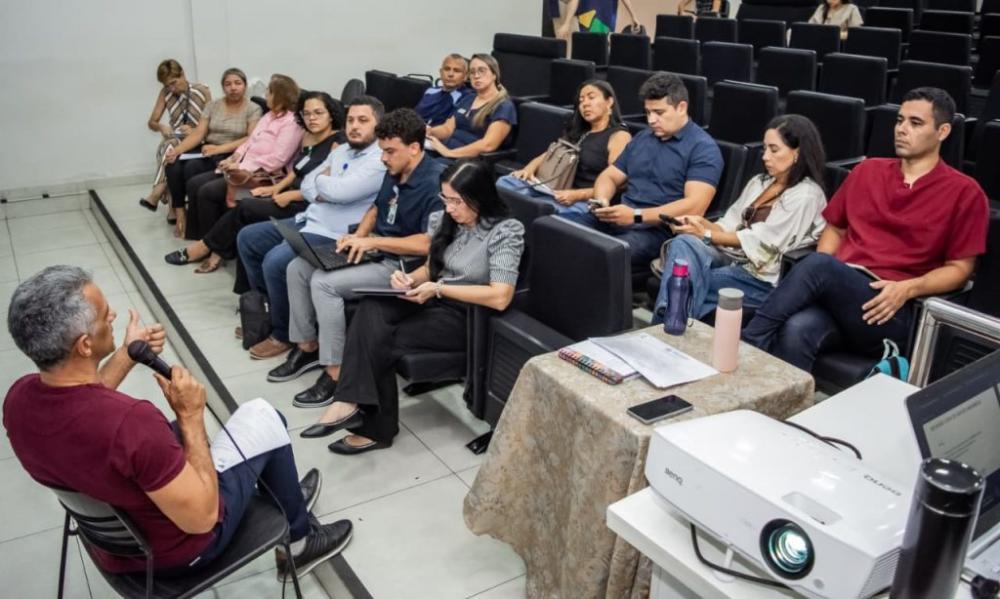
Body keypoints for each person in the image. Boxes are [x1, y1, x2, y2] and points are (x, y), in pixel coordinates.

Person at [3, 266, 352, 580]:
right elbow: (203, 518)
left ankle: (285, 497)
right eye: (104, 314)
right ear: (84, 345)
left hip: (114, 547)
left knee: (167, 435)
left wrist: (127, 352)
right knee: (264, 417)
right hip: (181, 553)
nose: (113, 316)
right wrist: (191, 415)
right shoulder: (131, 422)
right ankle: (299, 544)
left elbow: (84, 403)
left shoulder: (18, 399)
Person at [742, 88, 990, 373]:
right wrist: (829, 281)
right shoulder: (868, 171)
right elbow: (835, 229)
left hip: (892, 307)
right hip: (842, 293)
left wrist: (908, 288)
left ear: (942, 131)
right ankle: (782, 399)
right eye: (899, 120)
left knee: (819, 265)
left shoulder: (965, 192)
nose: (902, 129)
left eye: (915, 123)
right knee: (797, 330)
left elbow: (960, 269)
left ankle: (747, 344)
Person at [308, 160, 524, 455]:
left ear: (480, 196)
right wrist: (409, 279)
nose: (449, 208)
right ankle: (350, 404)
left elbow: (501, 295)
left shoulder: (505, 231)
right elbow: (430, 269)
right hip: (434, 298)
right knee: (369, 307)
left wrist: (438, 288)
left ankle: (366, 420)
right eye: (445, 199)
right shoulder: (448, 221)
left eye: (457, 201)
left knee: (377, 337)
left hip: (467, 316)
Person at [276, 108, 444, 415]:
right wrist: (358, 237)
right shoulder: (394, 169)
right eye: (382, 151)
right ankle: (307, 346)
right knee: (298, 267)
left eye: (390, 151)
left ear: (414, 148)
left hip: (403, 266)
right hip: (376, 250)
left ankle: (336, 372)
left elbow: (427, 243)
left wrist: (372, 242)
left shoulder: (435, 182)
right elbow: (376, 209)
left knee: (323, 283)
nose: (383, 158)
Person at [236, 96, 387, 360]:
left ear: (379, 124)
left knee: (275, 261)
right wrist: (325, 187)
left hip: (334, 231)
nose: (354, 126)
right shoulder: (341, 150)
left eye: (363, 120)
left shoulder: (379, 159)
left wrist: (324, 185)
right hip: (309, 218)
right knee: (248, 238)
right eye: (351, 120)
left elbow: (341, 192)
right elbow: (307, 186)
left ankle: (282, 334)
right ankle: (269, 312)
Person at [652, 115, 829, 324]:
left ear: (797, 153)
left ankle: (667, 325)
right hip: (733, 259)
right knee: (684, 242)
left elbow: (765, 243)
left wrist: (706, 234)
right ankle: (673, 325)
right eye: (765, 149)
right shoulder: (760, 182)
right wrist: (698, 223)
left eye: (774, 150)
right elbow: (728, 224)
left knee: (684, 280)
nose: (765, 156)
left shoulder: (806, 195)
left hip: (762, 278)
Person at [163, 91, 344, 276]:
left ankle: (205, 248)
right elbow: (297, 170)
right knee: (240, 198)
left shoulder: (337, 144)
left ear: (331, 114)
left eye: (318, 113)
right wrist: (275, 188)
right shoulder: (310, 136)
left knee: (245, 207)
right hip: (289, 192)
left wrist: (290, 195)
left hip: (307, 204)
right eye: (307, 113)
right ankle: (214, 250)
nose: (312, 118)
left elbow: (327, 188)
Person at [562, 72, 723, 267]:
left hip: (658, 231)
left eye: (659, 112)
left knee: (597, 254)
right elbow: (609, 176)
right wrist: (602, 200)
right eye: (648, 112)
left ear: (681, 107)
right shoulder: (643, 138)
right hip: (619, 218)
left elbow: (695, 206)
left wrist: (637, 215)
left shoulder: (702, 148)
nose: (651, 120)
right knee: (558, 231)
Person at [180, 74, 304, 246]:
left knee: (207, 191)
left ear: (280, 96)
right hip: (242, 168)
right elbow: (249, 142)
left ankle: (212, 245)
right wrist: (232, 158)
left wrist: (241, 166)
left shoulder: (292, 123)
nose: (266, 95)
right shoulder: (269, 116)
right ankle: (199, 239)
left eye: (269, 92)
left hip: (264, 175)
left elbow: (277, 159)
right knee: (194, 183)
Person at [495, 79, 631, 214]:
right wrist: (528, 169)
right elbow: (550, 153)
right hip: (552, 188)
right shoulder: (579, 131)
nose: (585, 104)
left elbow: (617, 183)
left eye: (591, 97)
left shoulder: (619, 136)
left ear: (609, 101)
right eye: (581, 100)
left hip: (583, 200)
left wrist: (577, 195)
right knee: (505, 183)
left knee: (542, 209)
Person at [163, 68, 261, 238]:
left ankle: (197, 224)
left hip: (231, 154)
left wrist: (219, 149)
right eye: (228, 84)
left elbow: (250, 138)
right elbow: (198, 133)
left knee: (191, 168)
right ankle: (180, 213)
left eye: (237, 83)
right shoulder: (213, 105)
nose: (233, 88)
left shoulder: (253, 109)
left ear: (245, 86)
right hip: (208, 150)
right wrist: (177, 151)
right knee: (173, 165)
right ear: (223, 87)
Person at [139, 59, 211, 213]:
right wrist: (161, 127)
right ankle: (170, 207)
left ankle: (158, 194)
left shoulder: (202, 90)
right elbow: (151, 122)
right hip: (176, 138)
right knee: (169, 145)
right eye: (167, 85)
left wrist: (195, 130)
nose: (172, 88)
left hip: (199, 138)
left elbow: (213, 120)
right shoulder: (165, 93)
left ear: (182, 74)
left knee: (168, 147)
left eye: (174, 83)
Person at [425, 54, 517, 159]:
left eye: (482, 71)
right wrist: (429, 131)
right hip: (443, 150)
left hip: (465, 160)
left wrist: (449, 152)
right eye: (472, 72)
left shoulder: (504, 106)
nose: (476, 76)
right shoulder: (468, 98)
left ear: (494, 75)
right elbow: (447, 129)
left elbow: (488, 145)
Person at [414, 54, 473, 127]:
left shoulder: (468, 97)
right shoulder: (430, 91)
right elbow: (414, 116)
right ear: (441, 72)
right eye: (447, 69)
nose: (450, 74)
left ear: (465, 76)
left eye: (456, 71)